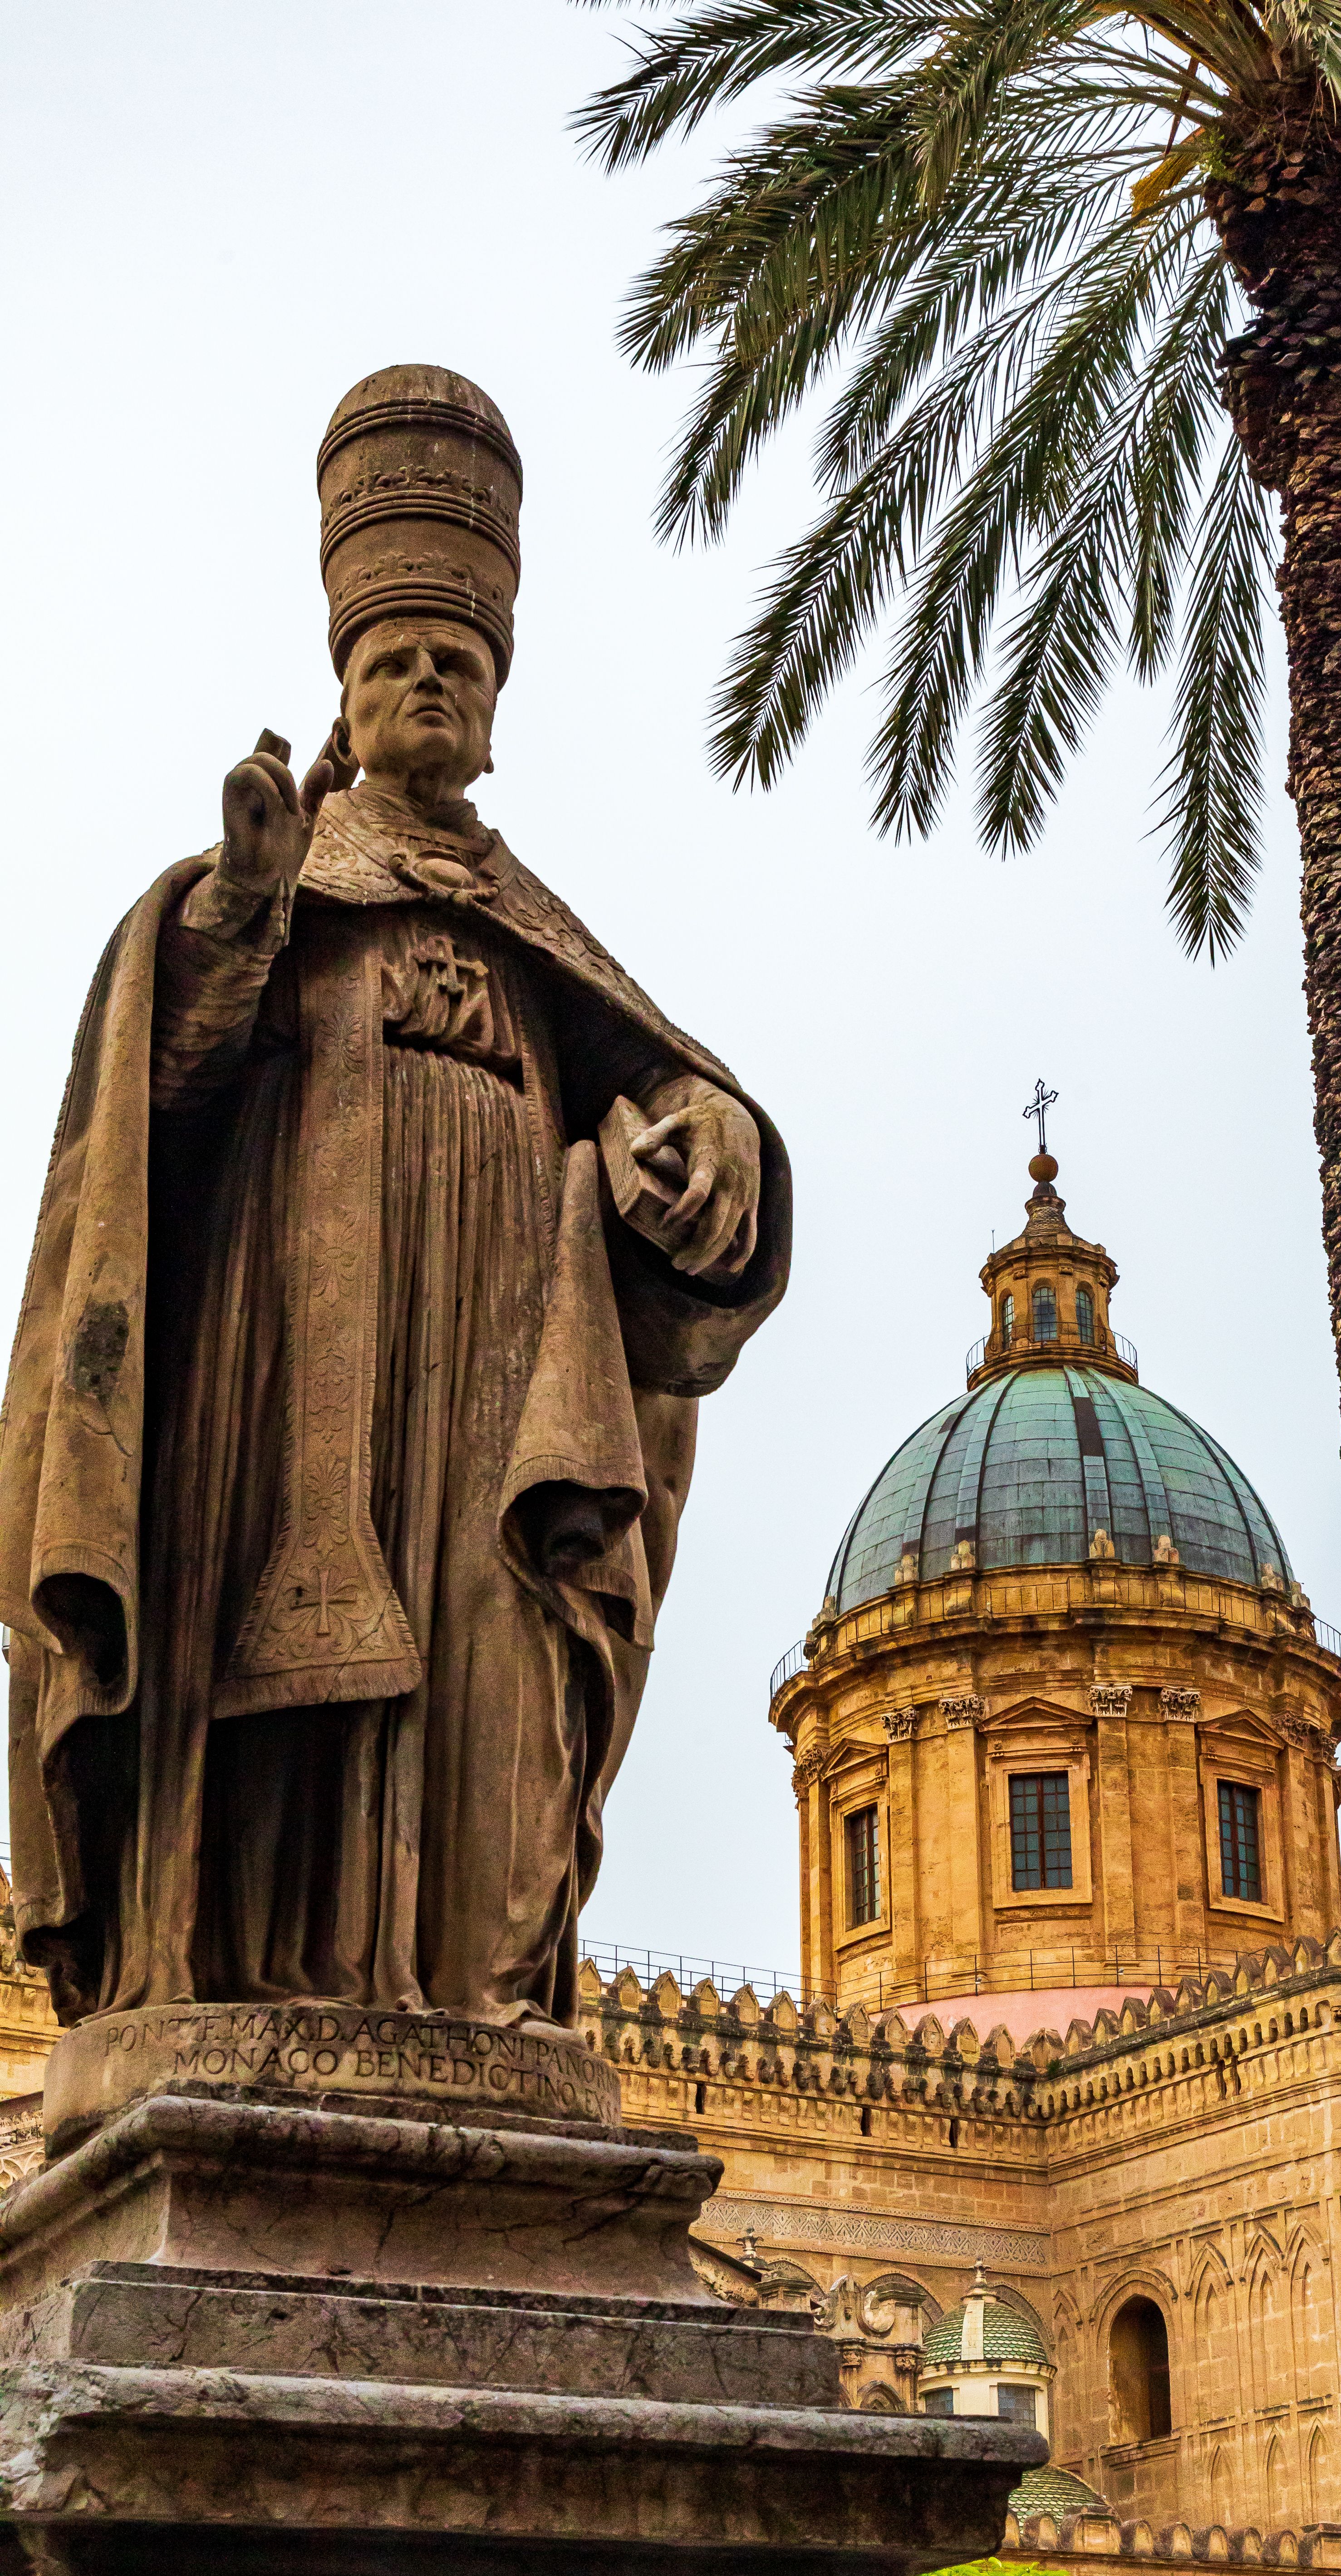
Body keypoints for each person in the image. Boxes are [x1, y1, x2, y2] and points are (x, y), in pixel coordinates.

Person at [0, 367, 788, 2031]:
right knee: (282, 1677)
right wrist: (237, 905)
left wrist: (708, 1131)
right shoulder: (268, 882)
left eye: (459, 662)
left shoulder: (540, 925)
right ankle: (251, 1986)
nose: (429, 680)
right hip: (298, 1365)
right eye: (395, 661)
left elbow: (650, 1087)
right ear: (346, 697)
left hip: (509, 1377)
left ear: (497, 703)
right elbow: (158, 1104)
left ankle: (474, 1995)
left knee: (507, 1664)